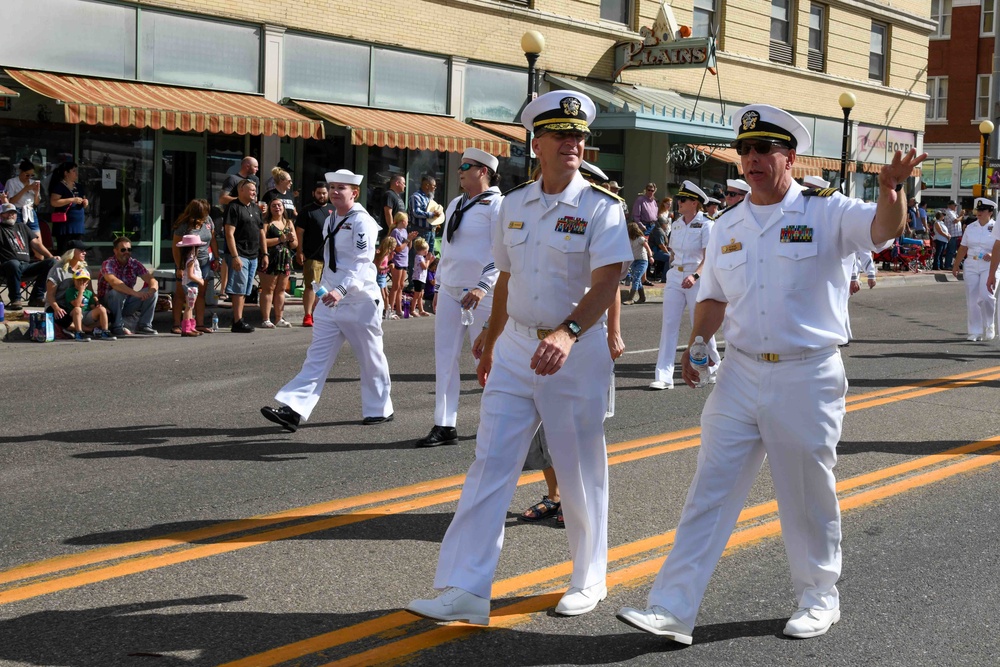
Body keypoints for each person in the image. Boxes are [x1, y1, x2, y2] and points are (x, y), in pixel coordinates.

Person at [617, 103, 924, 643]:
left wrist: (892, 188)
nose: (753, 160)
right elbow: (712, 296)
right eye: (746, 151)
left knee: (805, 494)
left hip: (806, 375)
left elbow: (881, 229)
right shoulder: (727, 223)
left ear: (791, 157)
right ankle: (671, 607)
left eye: (764, 151)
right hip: (739, 373)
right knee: (709, 490)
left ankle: (818, 595)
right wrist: (698, 342)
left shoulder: (826, 210)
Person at [405, 90, 632, 624]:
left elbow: (609, 281)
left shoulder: (602, 207)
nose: (573, 143)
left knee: (577, 470)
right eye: (561, 135)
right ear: (537, 144)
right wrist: (490, 334)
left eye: (578, 136)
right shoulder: (513, 204)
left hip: (574, 352)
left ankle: (587, 577)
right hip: (514, 349)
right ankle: (466, 588)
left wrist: (570, 332)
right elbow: (506, 275)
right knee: (490, 463)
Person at [260, 169, 394, 431]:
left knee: (371, 357)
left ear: (354, 193)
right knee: (316, 358)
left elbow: (361, 263)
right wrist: (324, 289)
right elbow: (332, 263)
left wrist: (341, 290)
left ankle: (379, 408)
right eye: (332, 187)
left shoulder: (362, 222)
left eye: (341, 188)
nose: (334, 192)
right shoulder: (331, 219)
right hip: (330, 300)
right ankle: (293, 410)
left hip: (359, 302)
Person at [414, 147, 503, 449]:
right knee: (445, 359)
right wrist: (439, 287)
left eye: (466, 166)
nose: (460, 170)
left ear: (483, 171)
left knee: (489, 359)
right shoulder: (455, 203)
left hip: (483, 295)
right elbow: (447, 249)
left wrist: (483, 285)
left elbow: (501, 253)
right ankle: (444, 423)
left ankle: (496, 422)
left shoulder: (497, 205)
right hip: (451, 290)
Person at [650, 180, 720, 390]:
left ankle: (714, 363)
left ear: (695, 203)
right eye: (679, 199)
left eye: (684, 200)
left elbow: (709, 258)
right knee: (669, 325)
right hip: (675, 277)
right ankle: (664, 376)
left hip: (695, 279)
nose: (679, 202)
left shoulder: (707, 224)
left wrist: (695, 276)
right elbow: (673, 253)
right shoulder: (677, 224)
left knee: (699, 326)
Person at [224, 179, 267, 333]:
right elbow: (229, 233)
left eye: (255, 190)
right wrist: (235, 257)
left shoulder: (256, 208)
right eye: (251, 190)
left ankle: (239, 318)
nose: (254, 193)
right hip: (239, 253)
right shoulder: (234, 207)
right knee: (239, 289)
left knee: (246, 289)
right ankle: (237, 321)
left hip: (253, 254)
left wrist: (265, 253)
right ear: (241, 190)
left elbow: (261, 231)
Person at [953, 198, 998, 341]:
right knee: (972, 299)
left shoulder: (997, 227)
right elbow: (963, 247)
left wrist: (992, 254)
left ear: (990, 212)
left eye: (982, 210)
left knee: (986, 296)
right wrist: (956, 264)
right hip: (971, 265)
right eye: (978, 210)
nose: (979, 213)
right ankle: (975, 331)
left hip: (989, 266)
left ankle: (989, 324)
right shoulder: (971, 227)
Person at [171, 199, 218, 335]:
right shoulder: (183, 224)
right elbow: (175, 247)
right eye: (204, 212)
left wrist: (216, 257)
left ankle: (199, 324)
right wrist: (180, 267)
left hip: (203, 261)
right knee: (182, 294)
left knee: (200, 294)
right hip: (187, 261)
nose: (206, 215)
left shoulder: (208, 220)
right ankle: (176, 324)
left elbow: (212, 239)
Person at [98, 236, 160, 336]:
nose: (126, 252)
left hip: (127, 301)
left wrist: (151, 290)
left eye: (129, 249)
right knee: (117, 291)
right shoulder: (108, 263)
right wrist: (136, 294)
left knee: (153, 292)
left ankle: (144, 325)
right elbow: (115, 283)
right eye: (123, 250)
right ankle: (117, 326)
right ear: (115, 251)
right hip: (108, 304)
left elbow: (151, 279)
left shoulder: (134, 263)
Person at [0, 202, 56, 309]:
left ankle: (37, 297)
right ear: (1, 215)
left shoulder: (22, 227)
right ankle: (15, 299)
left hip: (26, 266)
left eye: (13, 213)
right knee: (14, 264)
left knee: (52, 263)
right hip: (7, 267)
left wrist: (50, 256)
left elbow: (36, 243)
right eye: (8, 213)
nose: (11, 215)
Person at [296, 182, 333, 327]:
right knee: (312, 286)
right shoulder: (307, 211)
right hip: (312, 255)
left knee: (327, 286)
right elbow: (299, 232)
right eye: (319, 193)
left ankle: (321, 314)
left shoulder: (333, 210)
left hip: (330, 257)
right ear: (313, 193)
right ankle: (307, 315)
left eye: (324, 193)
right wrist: (300, 251)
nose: (322, 196)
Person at [44, 240, 88, 336]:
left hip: (77, 305)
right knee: (60, 315)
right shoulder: (57, 269)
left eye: (85, 250)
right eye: (81, 250)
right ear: (71, 252)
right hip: (58, 305)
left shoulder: (84, 269)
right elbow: (50, 295)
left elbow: (91, 291)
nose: (85, 253)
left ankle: (72, 329)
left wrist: (97, 303)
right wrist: (56, 308)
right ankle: (89, 330)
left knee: (107, 314)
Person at [48, 161, 88, 255]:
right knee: (64, 250)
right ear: (66, 173)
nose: (76, 173)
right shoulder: (59, 186)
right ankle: (62, 268)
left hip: (78, 224)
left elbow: (84, 199)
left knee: (77, 249)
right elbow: (54, 202)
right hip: (65, 224)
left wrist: (85, 202)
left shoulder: (78, 186)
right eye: (73, 171)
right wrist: (71, 200)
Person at [66, 267, 116, 341]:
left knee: (102, 309)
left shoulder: (89, 293)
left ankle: (105, 331)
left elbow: (92, 306)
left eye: (84, 280)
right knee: (78, 309)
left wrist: (98, 308)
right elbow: (76, 304)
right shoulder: (70, 291)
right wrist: (80, 291)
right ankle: (79, 333)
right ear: (74, 280)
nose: (82, 282)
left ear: (88, 282)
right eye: (79, 280)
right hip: (76, 315)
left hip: (87, 314)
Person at [175, 233, 207, 337]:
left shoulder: (187, 258)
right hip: (191, 284)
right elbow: (190, 274)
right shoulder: (191, 260)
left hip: (189, 284)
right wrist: (200, 280)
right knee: (189, 307)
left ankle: (191, 327)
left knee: (190, 306)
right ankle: (187, 328)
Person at [389, 212, 418, 318]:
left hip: (404, 261)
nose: (408, 222)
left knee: (401, 286)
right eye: (406, 220)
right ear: (402, 221)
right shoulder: (395, 232)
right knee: (395, 286)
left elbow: (408, 247)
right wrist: (407, 240)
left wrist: (410, 239)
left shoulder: (405, 231)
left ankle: (399, 309)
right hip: (397, 261)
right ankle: (390, 309)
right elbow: (398, 248)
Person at [408, 175, 437, 278]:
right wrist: (432, 215)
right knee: (417, 256)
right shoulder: (416, 197)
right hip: (419, 231)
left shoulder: (429, 198)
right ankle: (413, 284)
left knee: (430, 255)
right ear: (427, 185)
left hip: (431, 231)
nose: (435, 188)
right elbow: (416, 212)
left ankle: (427, 282)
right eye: (434, 186)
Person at [4, 159, 41, 233]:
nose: (29, 177)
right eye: (27, 174)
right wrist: (25, 189)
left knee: (37, 237)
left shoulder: (33, 183)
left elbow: (36, 203)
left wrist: (36, 193)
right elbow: (10, 201)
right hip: (17, 211)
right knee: (19, 237)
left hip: (30, 211)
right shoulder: (11, 182)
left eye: (32, 175)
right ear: (21, 171)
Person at [623, 222, 652, 304]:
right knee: (637, 279)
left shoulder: (640, 239)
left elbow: (648, 248)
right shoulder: (629, 239)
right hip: (633, 261)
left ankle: (630, 298)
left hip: (642, 261)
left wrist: (651, 257)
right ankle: (642, 297)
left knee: (636, 278)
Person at [374, 236, 397, 319]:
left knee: (386, 293)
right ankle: (383, 310)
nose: (393, 249)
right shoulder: (382, 254)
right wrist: (388, 267)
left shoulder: (386, 254)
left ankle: (387, 310)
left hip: (383, 275)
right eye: (393, 248)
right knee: (382, 294)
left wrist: (391, 258)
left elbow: (385, 262)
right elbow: (378, 266)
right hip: (380, 275)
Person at [410, 239, 431, 317]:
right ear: (420, 250)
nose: (426, 252)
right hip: (418, 278)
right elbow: (425, 267)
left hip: (422, 278)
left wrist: (428, 260)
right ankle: (412, 309)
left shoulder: (422, 257)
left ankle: (421, 309)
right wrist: (428, 260)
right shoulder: (419, 257)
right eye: (425, 251)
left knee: (421, 294)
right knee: (417, 294)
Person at [648, 217, 671, 282]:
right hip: (654, 252)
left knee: (672, 255)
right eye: (666, 224)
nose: (667, 225)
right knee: (669, 257)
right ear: (663, 224)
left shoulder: (659, 230)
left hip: (658, 251)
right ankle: (665, 278)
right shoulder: (659, 231)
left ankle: (660, 274)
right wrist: (668, 252)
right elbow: (661, 245)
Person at [944, 200, 961, 269]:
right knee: (950, 250)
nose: (956, 207)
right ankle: (948, 265)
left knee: (953, 251)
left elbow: (957, 219)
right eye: (954, 205)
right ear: (950, 205)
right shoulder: (948, 212)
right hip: (951, 234)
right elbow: (955, 221)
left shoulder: (953, 212)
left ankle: (949, 264)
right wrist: (962, 215)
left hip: (954, 235)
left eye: (956, 205)